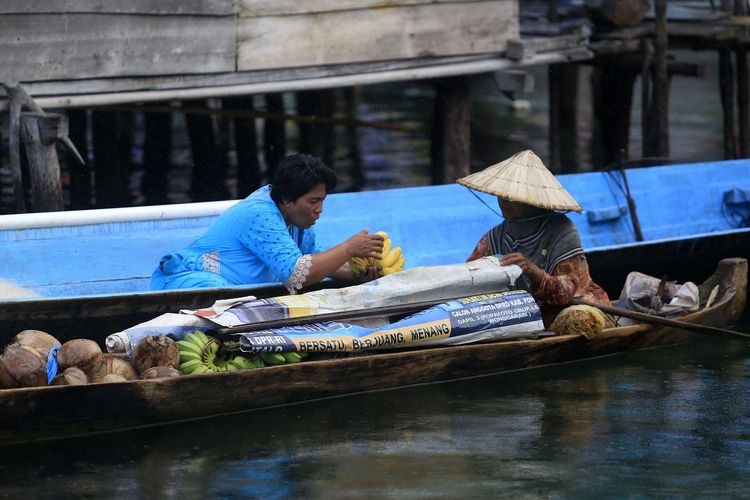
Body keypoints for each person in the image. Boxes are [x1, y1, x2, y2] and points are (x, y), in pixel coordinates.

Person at [150, 154, 384, 293]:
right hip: (188, 281)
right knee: (221, 294)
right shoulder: (259, 214)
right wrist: (349, 248)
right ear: (287, 199)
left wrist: (357, 273)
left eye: (322, 201)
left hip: (235, 293)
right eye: (313, 201)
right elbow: (297, 275)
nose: (319, 209)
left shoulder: (298, 222)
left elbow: (317, 261)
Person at [459, 150, 609, 327]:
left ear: (531, 199)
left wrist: (531, 269)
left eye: (510, 196)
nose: (503, 201)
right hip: (520, 315)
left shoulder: (563, 231)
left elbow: (564, 294)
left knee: (577, 322)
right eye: (501, 195)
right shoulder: (495, 236)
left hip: (572, 308)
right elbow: (468, 275)